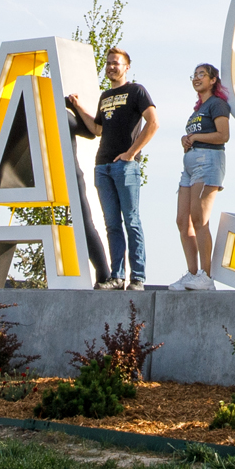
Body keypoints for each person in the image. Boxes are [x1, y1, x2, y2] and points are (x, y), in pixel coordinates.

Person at [65, 48, 159, 290]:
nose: (110, 67)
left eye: (116, 63)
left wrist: (131, 154)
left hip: (125, 167)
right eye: (108, 63)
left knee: (131, 221)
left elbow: (154, 122)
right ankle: (117, 277)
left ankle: (137, 277)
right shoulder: (105, 96)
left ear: (127, 66)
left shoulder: (136, 90)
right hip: (102, 166)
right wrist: (77, 106)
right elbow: (97, 129)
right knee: (111, 224)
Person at [172, 64, 233, 291]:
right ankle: (191, 272)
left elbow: (223, 135)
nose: (196, 78)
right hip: (190, 166)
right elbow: (197, 135)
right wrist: (186, 140)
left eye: (202, 74)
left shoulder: (217, 104)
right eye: (194, 75)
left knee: (200, 219)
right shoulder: (198, 109)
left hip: (208, 163)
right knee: (182, 220)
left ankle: (206, 276)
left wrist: (195, 137)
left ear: (213, 79)